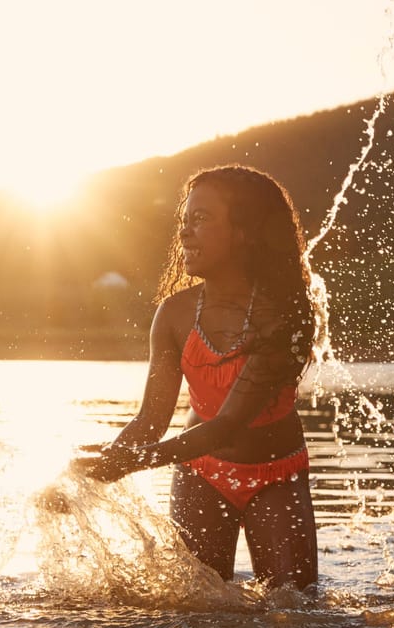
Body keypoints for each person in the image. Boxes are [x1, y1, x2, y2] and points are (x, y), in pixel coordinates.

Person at [77, 165, 320, 589]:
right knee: (196, 612)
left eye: (202, 219)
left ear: (245, 231)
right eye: (184, 221)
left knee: (295, 613)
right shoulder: (173, 314)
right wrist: (96, 472)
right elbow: (150, 420)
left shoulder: (285, 317)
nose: (185, 233)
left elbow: (226, 426)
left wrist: (132, 462)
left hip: (277, 475)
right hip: (200, 473)